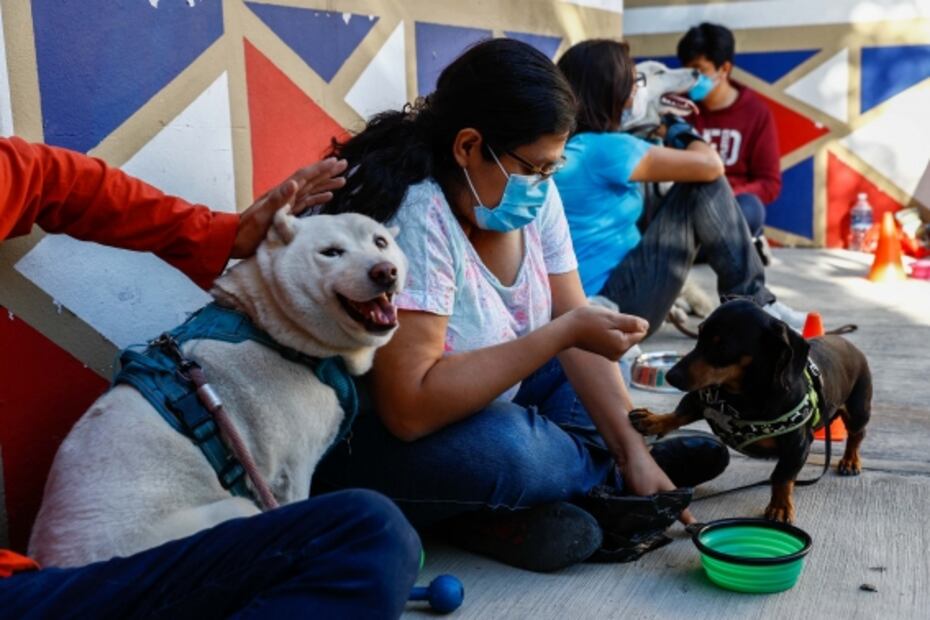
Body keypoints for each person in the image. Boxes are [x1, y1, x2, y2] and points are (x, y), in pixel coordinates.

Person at [313, 39, 730, 573]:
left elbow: (573, 321)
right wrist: (562, 336)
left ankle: (582, 482)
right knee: (512, 447)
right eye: (537, 167)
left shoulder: (531, 189)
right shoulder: (416, 216)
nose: (544, 183)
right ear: (467, 146)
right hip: (383, 443)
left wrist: (634, 449)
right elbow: (409, 410)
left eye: (551, 168)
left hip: (486, 395)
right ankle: (591, 479)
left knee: (599, 376)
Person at [0, 136, 420, 618]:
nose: (377, 264)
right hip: (84, 576)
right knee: (365, 535)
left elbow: (50, 178)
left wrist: (218, 233)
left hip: (45, 587)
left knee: (370, 533)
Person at [553, 39, 805, 336]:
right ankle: (753, 302)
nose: (636, 90)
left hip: (596, 299)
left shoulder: (575, 145)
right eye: (631, 82)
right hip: (613, 306)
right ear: (608, 90)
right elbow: (711, 165)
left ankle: (751, 300)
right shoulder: (608, 149)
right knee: (699, 186)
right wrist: (676, 129)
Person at [677, 22, 781, 261]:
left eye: (698, 70)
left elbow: (769, 183)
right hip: (685, 207)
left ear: (724, 68)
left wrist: (727, 194)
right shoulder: (680, 108)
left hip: (730, 206)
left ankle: (695, 251)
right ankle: (735, 248)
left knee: (750, 209)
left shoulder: (756, 113)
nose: (690, 78)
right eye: (686, 70)